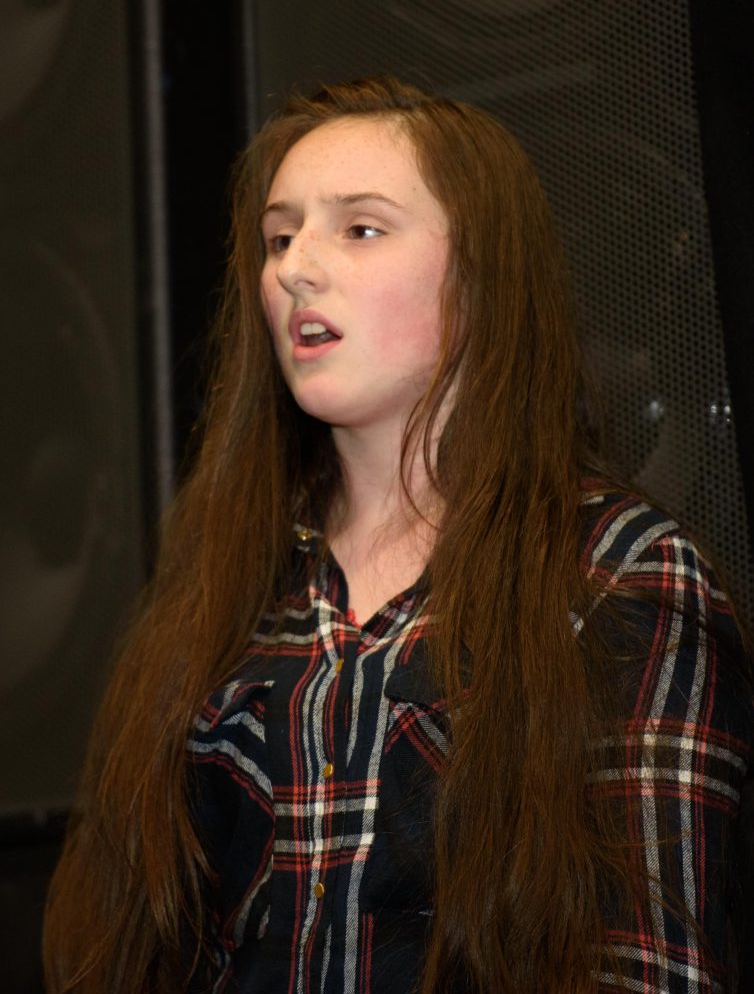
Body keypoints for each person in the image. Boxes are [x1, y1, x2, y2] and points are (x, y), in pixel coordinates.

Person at [43, 77, 753, 994]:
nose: (296, 266)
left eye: (360, 229)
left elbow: (651, 967)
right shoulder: (233, 580)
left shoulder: (622, 575)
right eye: (279, 236)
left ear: (481, 276)